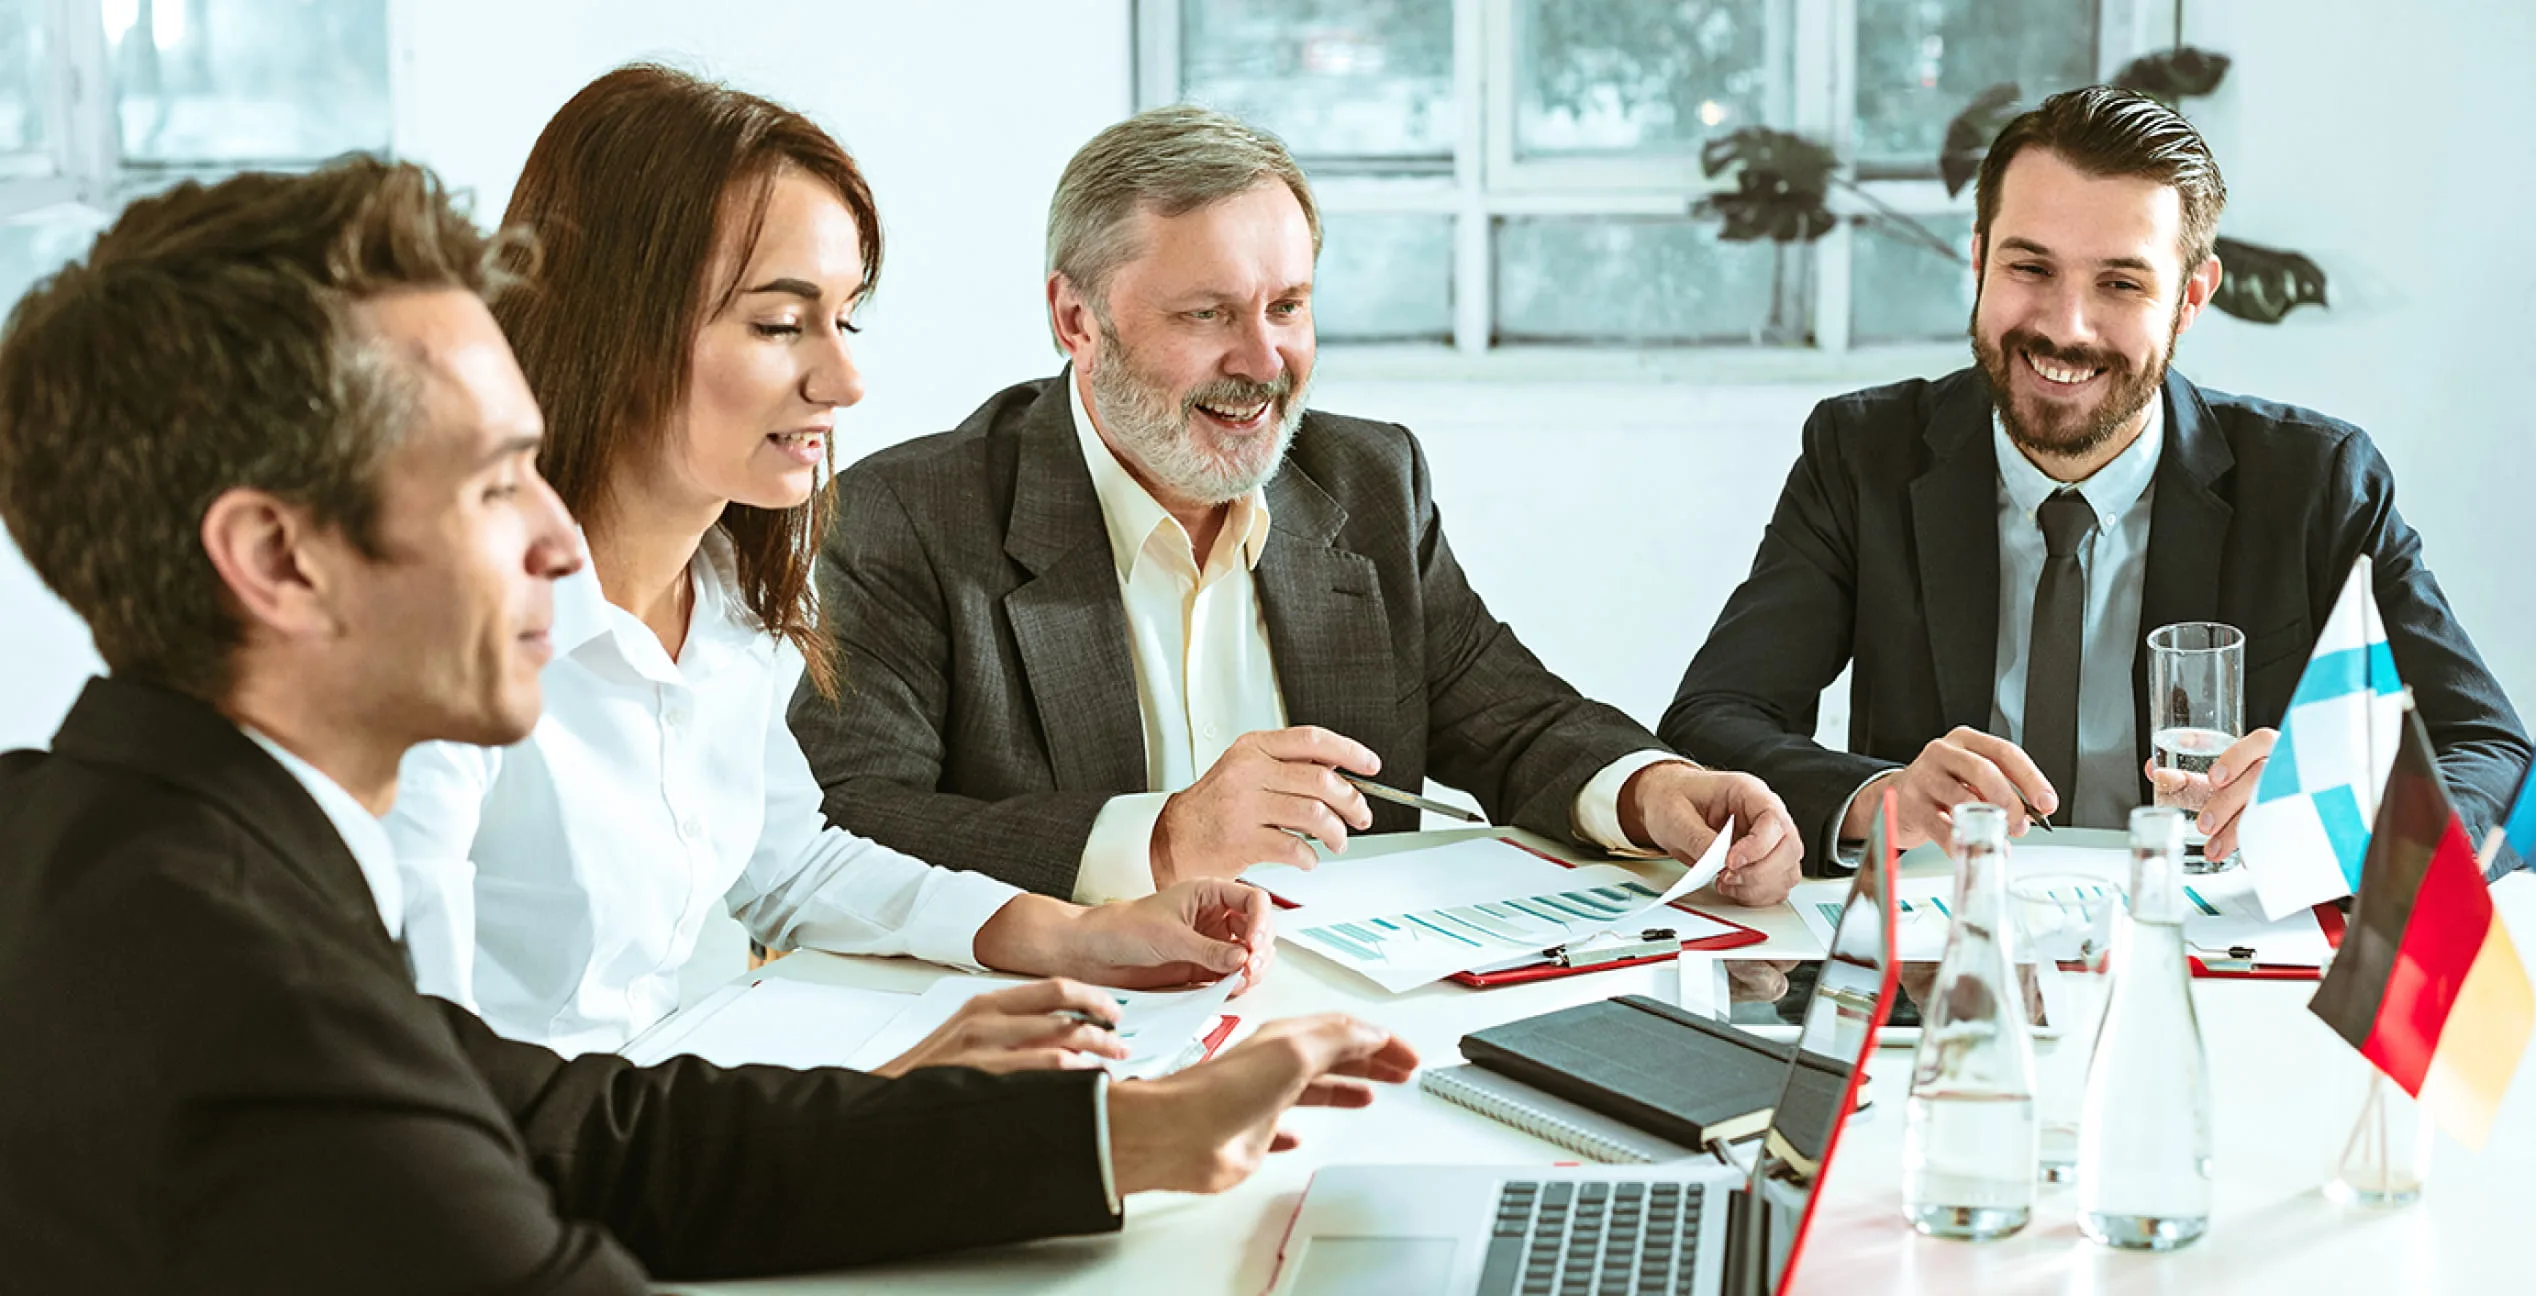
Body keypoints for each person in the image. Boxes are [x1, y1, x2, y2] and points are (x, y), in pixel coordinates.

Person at [0, 155, 1417, 1290]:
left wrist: (1124, 1135)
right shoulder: (261, 1006)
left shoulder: (160, 855)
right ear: (277, 558)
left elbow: (583, 1133)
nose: (559, 542)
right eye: (494, 484)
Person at [383, 66, 1271, 1058]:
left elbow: (790, 864)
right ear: (613, 324)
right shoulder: (446, 641)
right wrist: (865, 1103)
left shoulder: (721, 590)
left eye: (846, 319)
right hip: (538, 1140)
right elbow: (419, 1072)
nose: (846, 380)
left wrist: (1076, 932)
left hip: (649, 1111)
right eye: (779, 324)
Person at [788, 104, 1803, 909]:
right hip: (1074, 1032)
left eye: (1287, 307)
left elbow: (1513, 722)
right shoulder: (912, 516)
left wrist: (1656, 791)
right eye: (1207, 315)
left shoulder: (1367, 481)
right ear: (1075, 319)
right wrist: (1162, 839)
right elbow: (847, 822)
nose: (1263, 361)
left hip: (1354, 1016)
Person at [1663, 85, 2529, 872]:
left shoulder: (2316, 481)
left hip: (2211, 951)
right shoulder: (1862, 453)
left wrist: (2354, 818)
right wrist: (1879, 797)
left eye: (2120, 282)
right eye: (2030, 268)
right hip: (1945, 949)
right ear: (1980, 259)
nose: (2066, 327)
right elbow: (1713, 720)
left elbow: (2490, 753)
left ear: (2191, 298)